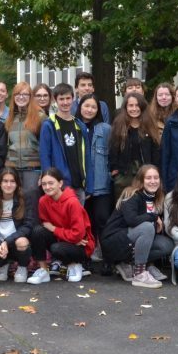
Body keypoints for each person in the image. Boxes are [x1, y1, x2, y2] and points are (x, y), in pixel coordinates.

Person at [101, 165, 173, 288]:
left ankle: (130, 264)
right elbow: (132, 220)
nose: (153, 181)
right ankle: (140, 274)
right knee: (147, 227)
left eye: (156, 178)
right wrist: (154, 217)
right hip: (114, 241)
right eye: (148, 178)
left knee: (166, 245)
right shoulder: (132, 195)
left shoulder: (157, 198)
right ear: (141, 180)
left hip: (131, 239)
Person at [26, 167, 95, 284]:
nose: (47, 187)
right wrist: (69, 238)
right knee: (37, 231)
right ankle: (43, 271)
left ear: (60, 183)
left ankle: (76, 265)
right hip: (65, 239)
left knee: (57, 248)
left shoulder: (72, 202)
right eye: (44, 184)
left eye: (51, 183)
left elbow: (78, 235)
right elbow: (45, 225)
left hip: (82, 245)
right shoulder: (43, 201)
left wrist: (54, 229)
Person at [77, 94, 112, 270]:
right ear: (80, 106)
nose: (89, 110)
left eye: (93, 107)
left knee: (102, 219)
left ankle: (107, 259)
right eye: (86, 106)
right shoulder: (74, 126)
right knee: (83, 222)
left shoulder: (105, 129)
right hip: (80, 184)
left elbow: (112, 152)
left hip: (101, 183)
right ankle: (85, 257)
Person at [0, 169, 34, 283]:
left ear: (17, 184)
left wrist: (7, 241)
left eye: (12, 181)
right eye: (5, 181)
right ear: (0, 183)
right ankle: (3, 265)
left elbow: (27, 225)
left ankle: (22, 267)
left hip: (16, 241)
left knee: (22, 242)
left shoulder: (25, 199)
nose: (8, 185)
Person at [39, 84, 88, 197]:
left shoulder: (80, 125)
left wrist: (87, 183)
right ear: (55, 100)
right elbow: (45, 155)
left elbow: (87, 155)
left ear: (73, 98)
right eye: (61, 99)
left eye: (68, 98)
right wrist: (49, 181)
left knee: (77, 215)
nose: (65, 102)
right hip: (59, 184)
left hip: (79, 184)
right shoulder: (49, 125)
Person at [108, 92, 159, 200]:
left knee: (144, 206)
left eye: (137, 105)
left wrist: (154, 170)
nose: (134, 109)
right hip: (124, 175)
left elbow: (155, 151)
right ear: (125, 107)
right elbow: (113, 148)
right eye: (131, 105)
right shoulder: (119, 124)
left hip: (145, 173)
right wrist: (115, 170)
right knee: (123, 207)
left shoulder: (149, 125)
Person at [5, 82, 46, 203]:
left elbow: (46, 147)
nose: (21, 97)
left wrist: (44, 171)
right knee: (14, 203)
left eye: (25, 94)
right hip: (12, 168)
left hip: (32, 169)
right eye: (18, 94)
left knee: (31, 203)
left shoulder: (40, 117)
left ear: (30, 97)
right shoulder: (10, 118)